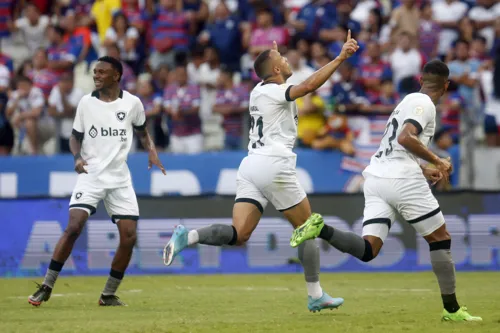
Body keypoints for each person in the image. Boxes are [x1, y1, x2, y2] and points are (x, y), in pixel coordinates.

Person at [163, 31, 359, 312]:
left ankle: (189, 236)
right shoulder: (275, 91)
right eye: (282, 58)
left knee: (239, 234)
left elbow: (282, 80)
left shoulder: (259, 90)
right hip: (273, 164)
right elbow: (306, 87)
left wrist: (274, 59)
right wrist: (340, 58)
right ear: (276, 69)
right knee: (307, 228)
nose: (288, 59)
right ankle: (315, 294)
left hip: (250, 165)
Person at [289, 60, 483, 322]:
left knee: (369, 250)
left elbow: (397, 146)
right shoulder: (424, 104)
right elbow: (405, 138)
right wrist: (436, 160)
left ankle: (320, 229)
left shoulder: (407, 101)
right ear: (446, 86)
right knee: (440, 239)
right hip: (401, 179)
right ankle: (452, 310)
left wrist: (424, 169)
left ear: (420, 79)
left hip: (377, 177)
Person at [28, 56, 166, 307]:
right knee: (74, 227)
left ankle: (108, 294)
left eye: (102, 72)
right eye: (95, 72)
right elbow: (74, 137)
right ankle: (46, 286)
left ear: (116, 76)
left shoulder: (133, 103)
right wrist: (77, 157)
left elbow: (142, 130)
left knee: (129, 236)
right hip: (90, 175)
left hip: (119, 179)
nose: (96, 76)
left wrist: (152, 149)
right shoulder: (86, 103)